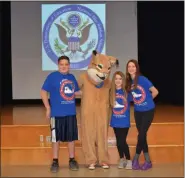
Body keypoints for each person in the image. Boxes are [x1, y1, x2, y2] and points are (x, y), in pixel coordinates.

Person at [40, 56, 81, 173]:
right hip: (56, 114)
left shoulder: (72, 77)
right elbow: (43, 91)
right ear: (58, 65)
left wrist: (92, 90)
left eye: (66, 64)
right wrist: (48, 108)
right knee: (55, 139)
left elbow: (76, 92)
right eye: (61, 64)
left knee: (71, 138)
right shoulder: (52, 77)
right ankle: (55, 161)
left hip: (70, 113)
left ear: (69, 66)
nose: (64, 66)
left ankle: (72, 160)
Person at [125, 59, 159, 170]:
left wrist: (148, 100)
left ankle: (135, 158)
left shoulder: (142, 79)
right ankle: (148, 161)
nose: (131, 68)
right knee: (142, 136)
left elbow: (155, 91)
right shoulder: (129, 83)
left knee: (141, 134)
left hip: (148, 110)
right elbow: (131, 99)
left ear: (136, 68)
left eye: (133, 66)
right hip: (137, 112)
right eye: (129, 66)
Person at [109, 71, 132, 170]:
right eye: (116, 79)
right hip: (115, 121)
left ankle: (129, 160)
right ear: (113, 80)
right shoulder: (111, 92)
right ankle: (122, 159)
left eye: (120, 79)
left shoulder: (127, 92)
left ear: (123, 80)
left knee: (122, 141)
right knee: (118, 142)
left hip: (124, 121)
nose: (118, 81)